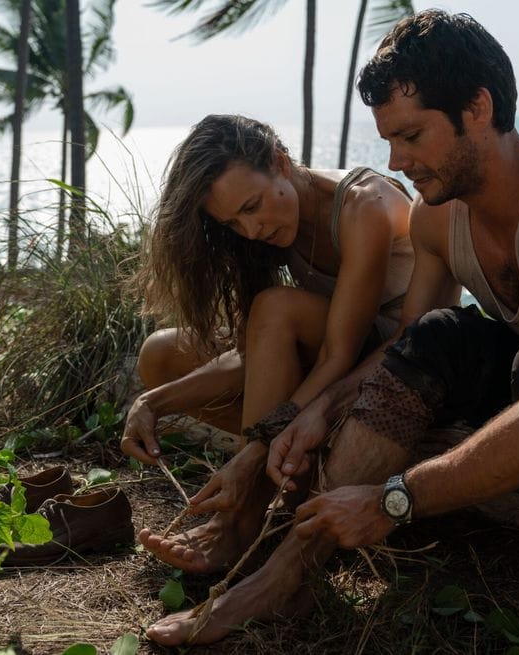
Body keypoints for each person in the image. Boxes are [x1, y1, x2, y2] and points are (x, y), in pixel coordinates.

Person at [144, 12, 519, 655]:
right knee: (445, 332)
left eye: (412, 135)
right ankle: (284, 577)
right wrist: (318, 411)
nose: (396, 161)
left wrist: (394, 500)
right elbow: (407, 345)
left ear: (477, 109)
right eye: (389, 140)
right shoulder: (435, 217)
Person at [121, 113, 424, 575]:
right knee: (162, 357)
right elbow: (258, 345)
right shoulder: (275, 226)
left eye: (251, 206)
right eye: (233, 223)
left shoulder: (363, 206)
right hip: (324, 357)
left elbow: (338, 354)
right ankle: (288, 473)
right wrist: (153, 400)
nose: (250, 230)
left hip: (388, 361)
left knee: (276, 306)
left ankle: (242, 517)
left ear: (280, 162)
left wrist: (252, 450)